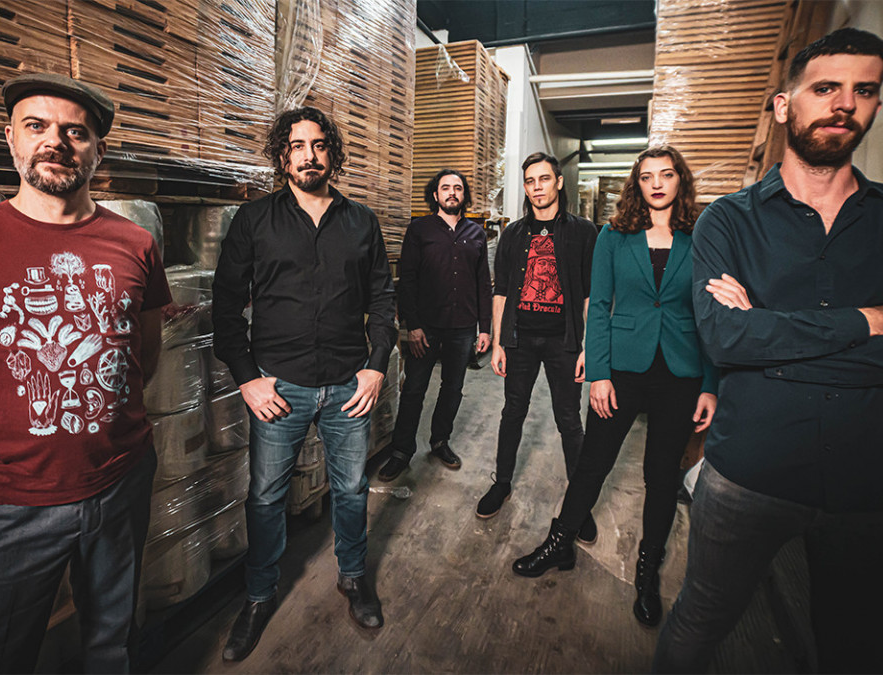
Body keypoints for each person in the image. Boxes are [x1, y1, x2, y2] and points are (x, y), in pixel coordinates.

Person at [653, 28, 883, 673]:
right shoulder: (728, 221)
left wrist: (767, 333)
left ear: (876, 104)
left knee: (857, 650)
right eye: (825, 88)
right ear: (784, 105)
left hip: (879, 483)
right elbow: (725, 338)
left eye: (864, 90)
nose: (844, 104)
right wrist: (867, 320)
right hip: (751, 473)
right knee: (700, 618)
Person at [0, 73, 171, 673]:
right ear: (11, 139)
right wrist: (4, 439)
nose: (56, 143)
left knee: (114, 641)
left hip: (122, 481)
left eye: (76, 132)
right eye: (37, 126)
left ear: (98, 150)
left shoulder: (135, 243)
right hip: (11, 503)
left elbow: (141, 358)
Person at [212, 107, 397, 661]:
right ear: (282, 155)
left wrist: (377, 364)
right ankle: (259, 595)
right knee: (267, 496)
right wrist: (247, 379)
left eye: (319, 145)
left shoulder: (361, 221)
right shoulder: (254, 220)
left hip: (347, 384)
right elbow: (225, 305)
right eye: (297, 146)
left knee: (352, 489)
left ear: (331, 154)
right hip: (279, 386)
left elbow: (383, 298)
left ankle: (353, 577)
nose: (309, 156)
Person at [511, 147, 718, 630]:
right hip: (623, 368)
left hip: (681, 372)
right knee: (593, 462)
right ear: (636, 184)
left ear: (680, 180)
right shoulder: (614, 235)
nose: (657, 183)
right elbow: (599, 305)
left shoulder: (702, 237)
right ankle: (560, 544)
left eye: (666, 175)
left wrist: (710, 384)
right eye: (647, 176)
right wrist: (599, 373)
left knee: (661, 476)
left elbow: (709, 316)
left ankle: (647, 570)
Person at [479, 152, 598, 534]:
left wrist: (588, 345)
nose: (537, 187)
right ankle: (501, 483)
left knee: (569, 420)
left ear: (559, 182)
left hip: (564, 340)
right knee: (513, 411)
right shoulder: (513, 234)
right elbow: (500, 292)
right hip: (520, 339)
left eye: (544, 179)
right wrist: (499, 343)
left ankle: (579, 503)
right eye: (530, 181)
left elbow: (590, 295)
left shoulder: (583, 232)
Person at [377, 169, 491, 482]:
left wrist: (485, 328)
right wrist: (412, 326)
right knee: (414, 389)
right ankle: (401, 451)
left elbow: (483, 284)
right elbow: (408, 279)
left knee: (452, 388)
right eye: (446, 188)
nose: (452, 192)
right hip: (425, 327)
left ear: (464, 194)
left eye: (458, 188)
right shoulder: (420, 229)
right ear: (435, 195)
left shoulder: (476, 233)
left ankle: (440, 441)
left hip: (463, 327)